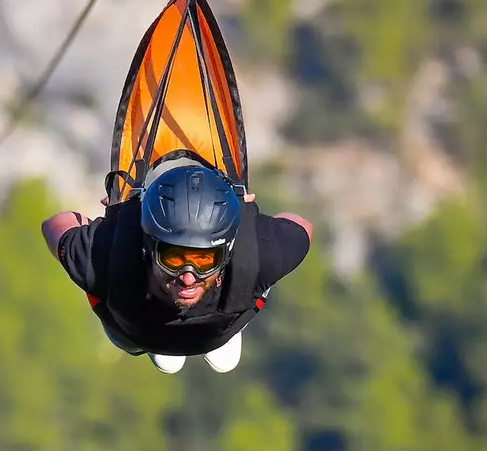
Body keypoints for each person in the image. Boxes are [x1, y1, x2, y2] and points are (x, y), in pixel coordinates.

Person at [41, 157, 313, 374]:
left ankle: (197, 335)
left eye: (204, 260)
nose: (187, 278)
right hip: (140, 329)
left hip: (176, 329)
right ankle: (184, 340)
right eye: (174, 258)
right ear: (149, 248)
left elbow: (56, 224)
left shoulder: (257, 255)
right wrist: (252, 219)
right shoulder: (108, 256)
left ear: (226, 253)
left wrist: (106, 221)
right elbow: (301, 226)